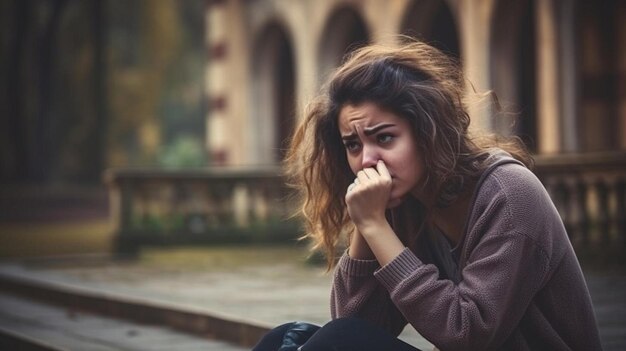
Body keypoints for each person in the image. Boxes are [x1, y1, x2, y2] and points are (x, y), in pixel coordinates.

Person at [252, 39, 602, 351]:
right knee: (285, 339)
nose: (367, 160)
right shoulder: (404, 202)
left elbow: (466, 334)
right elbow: (356, 322)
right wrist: (366, 224)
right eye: (353, 144)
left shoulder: (508, 196)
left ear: (426, 132)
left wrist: (375, 225)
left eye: (384, 138)